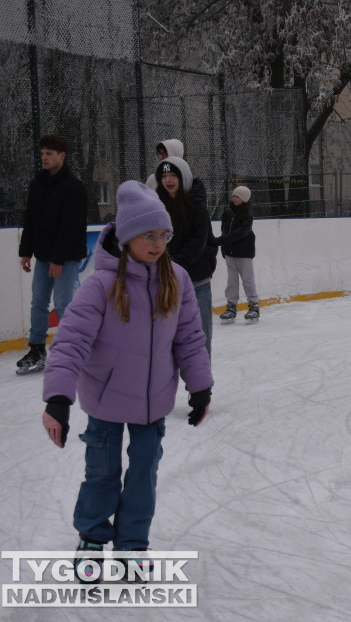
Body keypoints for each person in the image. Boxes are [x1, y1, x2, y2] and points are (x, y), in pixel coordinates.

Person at [40, 180, 212, 583]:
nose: (157, 243)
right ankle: (92, 538)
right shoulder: (101, 285)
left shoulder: (178, 280)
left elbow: (189, 338)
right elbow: (70, 341)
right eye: (149, 235)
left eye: (164, 235)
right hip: (105, 402)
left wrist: (200, 386)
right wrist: (58, 399)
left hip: (153, 403)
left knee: (143, 473)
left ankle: (133, 542)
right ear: (128, 236)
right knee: (101, 473)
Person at [16, 134, 88, 375]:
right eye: (43, 154)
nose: (44, 158)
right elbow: (31, 219)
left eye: (49, 154)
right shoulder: (38, 184)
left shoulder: (74, 187)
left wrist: (58, 258)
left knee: (63, 303)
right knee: (38, 301)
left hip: (66, 257)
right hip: (43, 255)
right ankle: (37, 348)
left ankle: (71, 349)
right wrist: (26, 251)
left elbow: (71, 226)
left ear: (62, 156)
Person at [154, 156, 218, 356]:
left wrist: (172, 264)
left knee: (199, 335)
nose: (168, 180)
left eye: (173, 175)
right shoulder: (157, 205)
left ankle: (201, 384)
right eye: (164, 175)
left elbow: (197, 242)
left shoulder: (197, 205)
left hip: (196, 280)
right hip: (166, 282)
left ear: (184, 178)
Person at [217, 186, 260, 324]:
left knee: (248, 280)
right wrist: (224, 248)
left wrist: (220, 241)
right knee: (232, 281)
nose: (235, 198)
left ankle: (253, 306)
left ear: (245, 199)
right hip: (230, 253)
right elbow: (224, 231)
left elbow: (241, 233)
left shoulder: (247, 215)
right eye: (234, 196)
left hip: (244, 253)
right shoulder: (227, 214)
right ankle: (231, 307)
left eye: (238, 196)